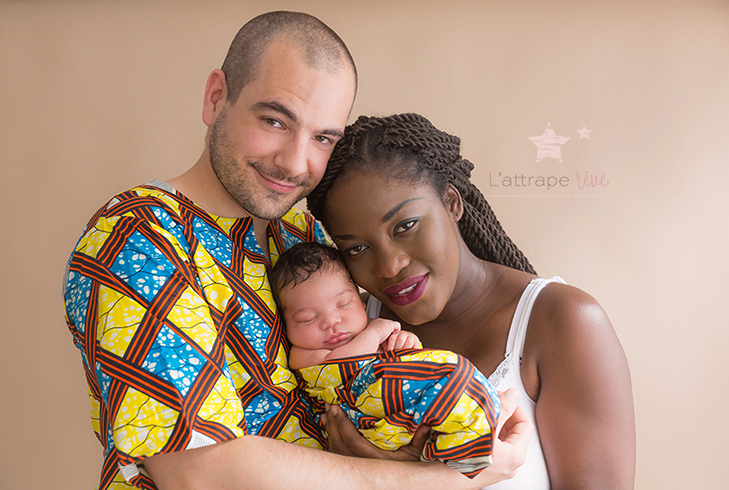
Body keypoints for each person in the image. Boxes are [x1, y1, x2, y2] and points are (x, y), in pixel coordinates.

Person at [63, 12, 531, 490]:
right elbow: (198, 472)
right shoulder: (135, 234)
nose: (294, 162)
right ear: (216, 97)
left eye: (323, 137)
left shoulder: (303, 233)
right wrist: (451, 481)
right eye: (274, 120)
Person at [306, 113, 636, 489]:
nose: (388, 266)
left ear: (451, 203)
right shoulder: (351, 335)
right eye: (358, 248)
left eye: (405, 226)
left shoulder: (562, 321)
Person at [270, 241, 502, 477]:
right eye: (307, 318)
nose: (331, 322)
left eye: (344, 304)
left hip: (394, 409)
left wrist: (404, 341)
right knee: (449, 379)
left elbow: (400, 356)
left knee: (454, 372)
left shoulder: (366, 329)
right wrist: (375, 333)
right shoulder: (303, 353)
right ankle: (467, 451)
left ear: (361, 303)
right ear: (286, 325)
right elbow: (342, 365)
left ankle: (466, 445)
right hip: (362, 417)